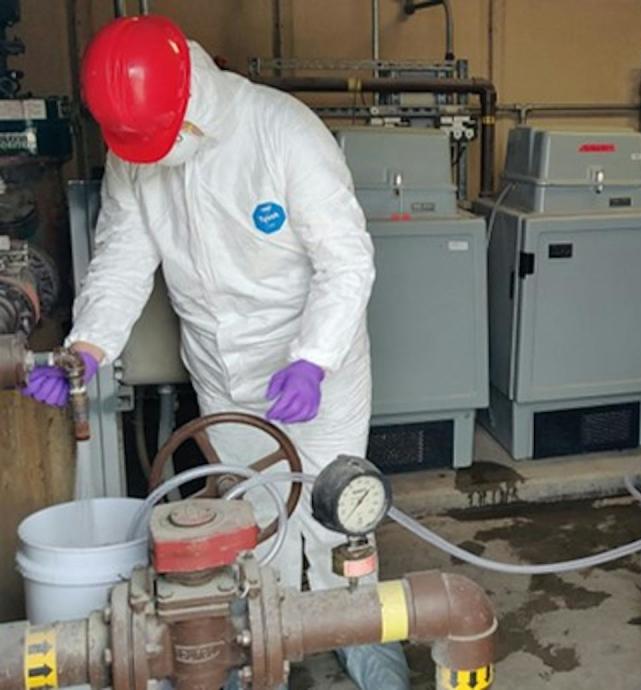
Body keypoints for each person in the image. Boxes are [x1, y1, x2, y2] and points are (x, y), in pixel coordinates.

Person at [21, 15, 409, 690]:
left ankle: (360, 635)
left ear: (188, 102)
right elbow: (121, 262)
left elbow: (346, 262)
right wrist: (87, 345)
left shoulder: (281, 131)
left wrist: (314, 357)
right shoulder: (134, 154)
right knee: (251, 513)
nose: (146, 151)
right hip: (219, 363)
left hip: (310, 362)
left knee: (336, 507)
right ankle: (266, 650)